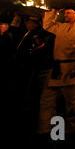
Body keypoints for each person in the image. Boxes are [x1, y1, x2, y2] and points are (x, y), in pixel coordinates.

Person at [38, 7, 75, 143]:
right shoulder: (60, 26)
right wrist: (54, 11)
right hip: (56, 68)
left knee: (71, 102)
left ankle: (69, 130)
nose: (65, 15)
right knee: (47, 100)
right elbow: (47, 25)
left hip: (71, 68)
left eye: (68, 12)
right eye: (64, 12)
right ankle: (46, 128)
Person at [15, 13, 55, 141]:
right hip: (35, 69)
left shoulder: (38, 35)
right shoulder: (33, 34)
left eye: (28, 22)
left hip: (38, 69)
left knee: (37, 99)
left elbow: (26, 52)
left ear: (34, 23)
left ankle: (40, 130)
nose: (26, 24)